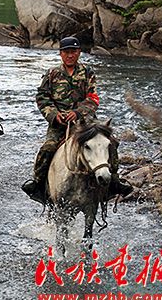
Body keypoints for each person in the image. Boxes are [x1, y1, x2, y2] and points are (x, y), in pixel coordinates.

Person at [22, 36, 133, 204]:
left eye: (73, 52)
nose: (70, 55)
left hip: (86, 122)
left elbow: (93, 98)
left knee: (111, 142)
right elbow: (42, 98)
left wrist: (78, 112)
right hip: (59, 124)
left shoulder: (88, 73)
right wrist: (54, 115)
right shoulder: (52, 74)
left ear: (79, 52)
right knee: (48, 147)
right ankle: (38, 183)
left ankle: (114, 181)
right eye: (66, 52)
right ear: (61, 53)